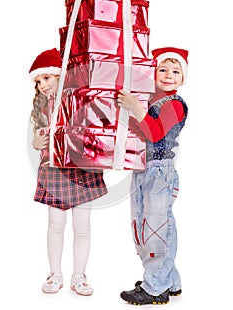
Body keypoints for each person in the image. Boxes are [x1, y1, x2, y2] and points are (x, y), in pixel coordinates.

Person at [29, 48, 108, 296]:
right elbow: (39, 136)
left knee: (82, 225)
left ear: (59, 74)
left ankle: (79, 276)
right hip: (54, 169)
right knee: (55, 223)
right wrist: (36, 142)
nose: (42, 85)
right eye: (38, 81)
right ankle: (55, 274)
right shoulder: (42, 106)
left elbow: (98, 124)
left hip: (82, 167)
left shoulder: (79, 98)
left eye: (47, 78)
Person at [117, 47, 188, 305]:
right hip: (142, 169)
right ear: (153, 72)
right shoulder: (148, 100)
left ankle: (156, 287)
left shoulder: (174, 104)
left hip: (160, 172)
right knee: (144, 226)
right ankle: (169, 281)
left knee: (158, 227)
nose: (169, 75)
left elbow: (155, 133)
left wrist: (136, 108)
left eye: (175, 71)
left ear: (183, 78)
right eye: (163, 69)